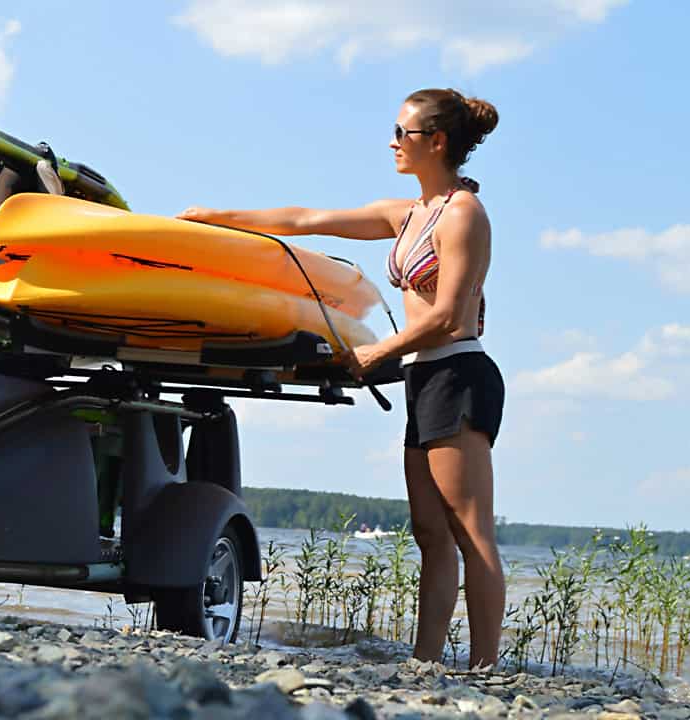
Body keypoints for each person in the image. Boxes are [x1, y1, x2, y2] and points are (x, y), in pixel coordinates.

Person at [177, 88, 505, 668]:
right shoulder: (407, 214)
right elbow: (307, 220)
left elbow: (451, 316)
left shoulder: (463, 214)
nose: (392, 142)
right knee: (430, 533)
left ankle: (485, 667)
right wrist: (214, 218)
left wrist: (377, 355)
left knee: (470, 531)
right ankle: (426, 660)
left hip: (460, 373)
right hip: (425, 377)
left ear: (438, 142)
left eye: (402, 133)